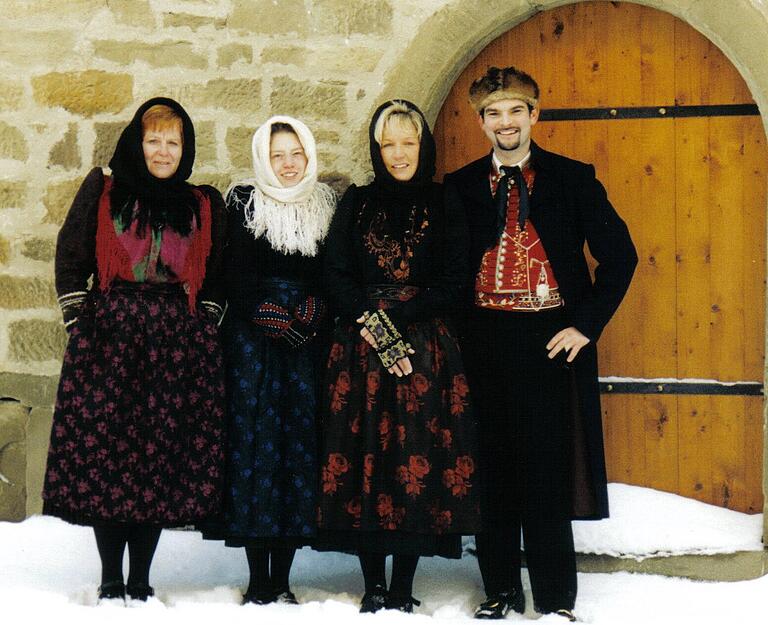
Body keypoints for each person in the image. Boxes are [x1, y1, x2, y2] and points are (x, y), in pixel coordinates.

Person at [443, 67, 637, 621]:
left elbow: (620, 258)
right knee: (495, 470)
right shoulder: (458, 187)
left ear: (534, 115)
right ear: (481, 122)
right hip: (482, 342)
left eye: (515, 111)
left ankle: (555, 601)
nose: (506, 123)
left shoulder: (573, 179)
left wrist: (585, 325)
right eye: (494, 114)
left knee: (547, 471)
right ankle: (501, 591)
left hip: (551, 341)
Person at [42, 97, 227, 604]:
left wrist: (205, 325)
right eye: (154, 140)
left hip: (174, 345)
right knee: (109, 456)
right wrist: (81, 319)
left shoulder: (201, 204)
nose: (163, 151)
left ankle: (142, 577)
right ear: (136, 143)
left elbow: (218, 274)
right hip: (110, 341)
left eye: (173, 142)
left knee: (156, 459)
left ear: (184, 149)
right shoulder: (103, 192)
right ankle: (109, 576)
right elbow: (71, 254)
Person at [317, 100, 482, 614]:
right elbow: (336, 272)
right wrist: (375, 323)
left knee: (414, 456)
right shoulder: (358, 202)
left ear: (423, 145)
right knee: (365, 453)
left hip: (424, 346)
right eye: (388, 143)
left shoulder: (443, 200)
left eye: (408, 142)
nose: (398, 153)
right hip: (364, 347)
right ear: (376, 148)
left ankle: (404, 584)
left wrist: (404, 321)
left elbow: (456, 276)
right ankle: (372, 583)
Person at [203, 116, 336, 605]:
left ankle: (285, 577)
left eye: (295, 154)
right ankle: (259, 578)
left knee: (297, 451)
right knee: (256, 451)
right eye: (277, 154)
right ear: (263, 156)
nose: (286, 164)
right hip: (254, 343)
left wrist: (312, 314)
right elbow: (233, 271)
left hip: (307, 344)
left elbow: (331, 271)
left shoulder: (325, 203)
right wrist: (272, 318)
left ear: (308, 156)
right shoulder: (243, 200)